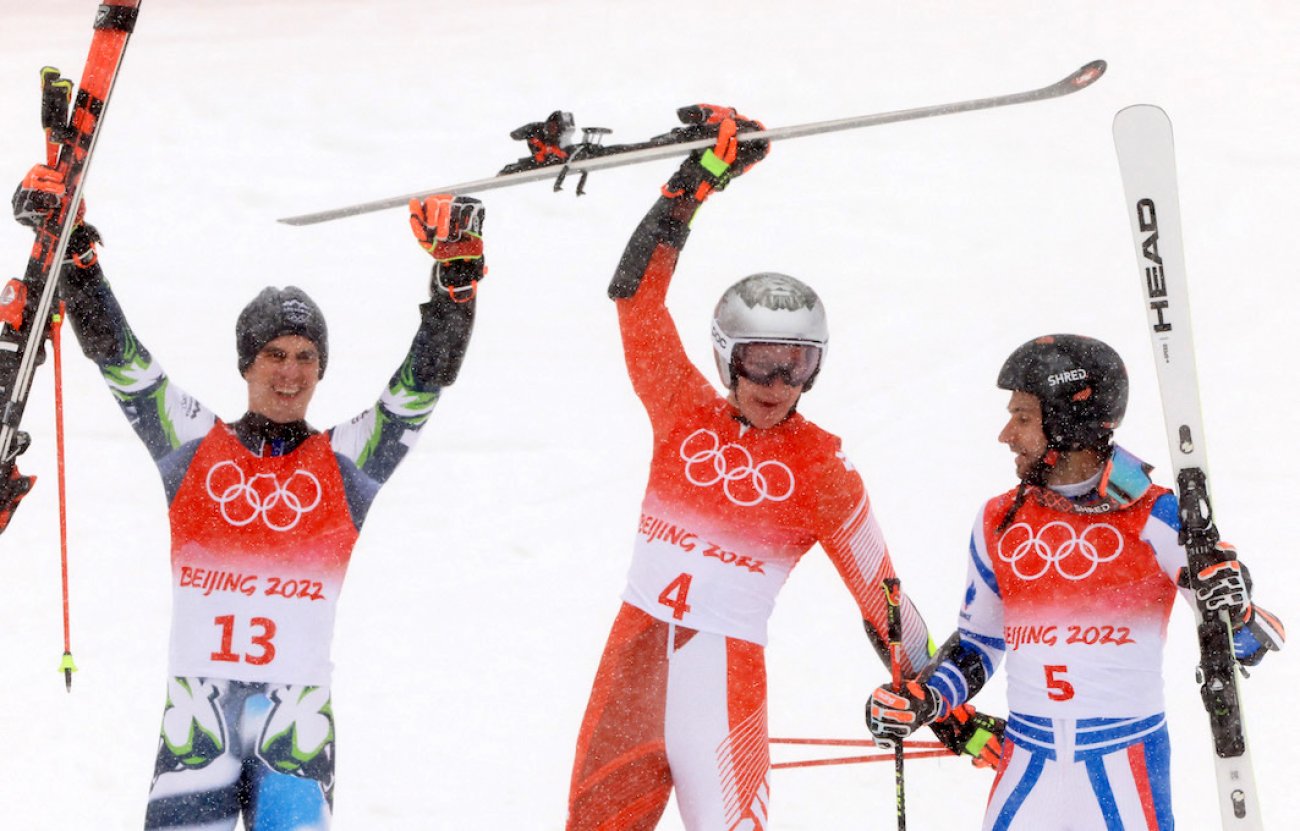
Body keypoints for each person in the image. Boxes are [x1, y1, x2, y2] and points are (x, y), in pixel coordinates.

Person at [564, 105, 1001, 831]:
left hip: (724, 678)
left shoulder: (823, 468)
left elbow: (886, 603)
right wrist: (697, 180)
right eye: (759, 360)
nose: (775, 382)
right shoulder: (681, 409)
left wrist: (955, 716)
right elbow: (634, 297)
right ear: (724, 355)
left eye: (796, 364)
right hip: (631, 661)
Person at [12, 165, 488, 830]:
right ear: (246, 361)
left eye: (305, 356)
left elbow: (421, 386)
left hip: (295, 729)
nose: (290, 371)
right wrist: (77, 256)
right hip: (195, 727)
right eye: (273, 353)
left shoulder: (345, 464)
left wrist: (455, 286)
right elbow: (122, 360)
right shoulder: (194, 445)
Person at [865, 334, 1285, 830]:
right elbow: (979, 645)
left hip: (1123, 760)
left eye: (1023, 417)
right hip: (1027, 761)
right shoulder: (998, 521)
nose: (1007, 434)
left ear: (1069, 422)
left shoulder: (1154, 514)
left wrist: (1235, 607)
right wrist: (925, 698)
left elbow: (1258, 639)